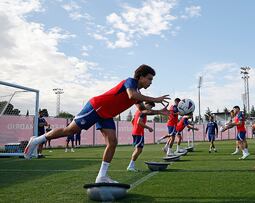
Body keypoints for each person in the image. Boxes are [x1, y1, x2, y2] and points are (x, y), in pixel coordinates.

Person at [24, 64, 170, 183]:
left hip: (106, 115)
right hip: (96, 107)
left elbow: (142, 110)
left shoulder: (137, 91)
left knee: (112, 143)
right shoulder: (130, 82)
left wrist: (159, 112)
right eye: (149, 79)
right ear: (141, 76)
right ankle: (36, 140)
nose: (150, 82)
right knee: (70, 131)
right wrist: (156, 99)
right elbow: (131, 95)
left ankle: (101, 177)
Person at [127, 101, 162, 172]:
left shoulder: (138, 111)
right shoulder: (143, 112)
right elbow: (139, 122)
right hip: (139, 133)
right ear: (147, 104)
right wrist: (148, 128)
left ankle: (131, 166)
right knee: (139, 150)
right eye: (150, 107)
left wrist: (135, 128)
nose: (150, 108)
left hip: (135, 132)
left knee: (138, 149)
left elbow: (132, 121)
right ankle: (131, 166)